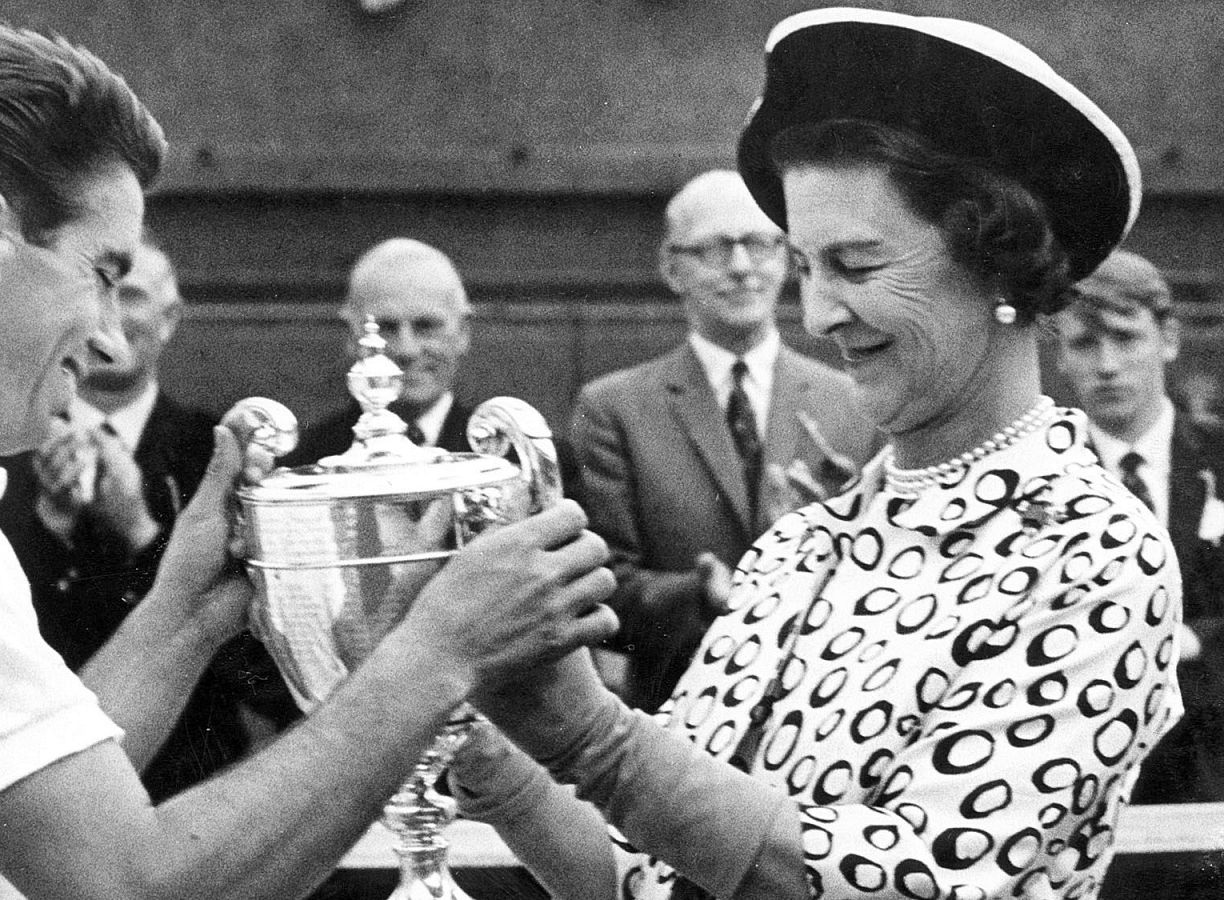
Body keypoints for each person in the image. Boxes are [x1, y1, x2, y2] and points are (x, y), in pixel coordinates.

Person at [0, 23, 617, 899]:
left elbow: (32, 809)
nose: (111, 337)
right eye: (102, 273)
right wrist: (436, 655)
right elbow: (128, 886)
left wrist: (187, 614)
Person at [450, 9, 1182, 900]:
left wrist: (595, 739)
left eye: (858, 266)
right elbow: (646, 874)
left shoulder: (1092, 552)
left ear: (996, 257)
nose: (821, 314)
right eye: (806, 268)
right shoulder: (798, 549)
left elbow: (917, 882)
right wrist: (493, 748)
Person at [0, 228, 297, 801]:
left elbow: (261, 672)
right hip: (38, 788)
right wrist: (51, 528)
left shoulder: (215, 452)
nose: (114, 316)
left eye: (132, 296)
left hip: (189, 788)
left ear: (171, 318)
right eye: (101, 289)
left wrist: (140, 531)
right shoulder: (3, 447)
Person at [572, 169, 878, 712]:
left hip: (825, 705)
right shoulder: (615, 408)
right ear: (672, 268)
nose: (740, 267)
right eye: (714, 250)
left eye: (758, 244)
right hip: (676, 711)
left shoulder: (854, 401)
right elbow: (600, 588)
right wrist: (698, 594)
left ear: (786, 258)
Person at [1052, 249, 1224, 894]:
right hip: (1086, 788)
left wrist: (1193, 643)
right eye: (1084, 343)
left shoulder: (1219, 456)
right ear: (1060, 356)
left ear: (1169, 339)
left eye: (1126, 338)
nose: (1107, 364)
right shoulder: (1044, 480)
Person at [282, 237, 477, 465]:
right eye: (386, 328)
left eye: (426, 326)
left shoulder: (502, 457)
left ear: (463, 332)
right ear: (351, 336)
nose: (407, 350)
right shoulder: (304, 461)